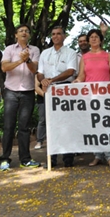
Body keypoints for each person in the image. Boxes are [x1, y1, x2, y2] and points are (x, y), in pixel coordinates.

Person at [0, 24, 41, 171]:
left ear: (29, 35)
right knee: (8, 126)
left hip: (28, 92)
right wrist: (20, 60)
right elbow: (4, 67)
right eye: (21, 31)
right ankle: (5, 159)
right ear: (16, 35)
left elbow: (35, 69)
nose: (24, 33)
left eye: (27, 31)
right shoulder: (9, 49)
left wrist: (28, 60)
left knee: (24, 127)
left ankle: (25, 159)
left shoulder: (34, 50)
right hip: (11, 92)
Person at [75, 29, 110, 168]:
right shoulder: (84, 57)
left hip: (105, 96)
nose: (93, 39)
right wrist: (76, 82)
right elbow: (81, 76)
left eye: (96, 37)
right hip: (90, 97)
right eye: (91, 37)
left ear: (101, 40)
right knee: (94, 126)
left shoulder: (108, 56)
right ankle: (98, 155)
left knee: (106, 126)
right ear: (88, 41)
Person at [36, 26, 78, 168]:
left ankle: (68, 159)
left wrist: (52, 80)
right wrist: (42, 80)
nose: (56, 36)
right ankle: (52, 159)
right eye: (53, 34)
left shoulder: (71, 53)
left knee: (67, 124)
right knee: (52, 125)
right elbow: (40, 72)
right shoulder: (45, 53)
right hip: (49, 90)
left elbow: (70, 71)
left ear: (64, 36)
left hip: (65, 88)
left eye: (59, 34)